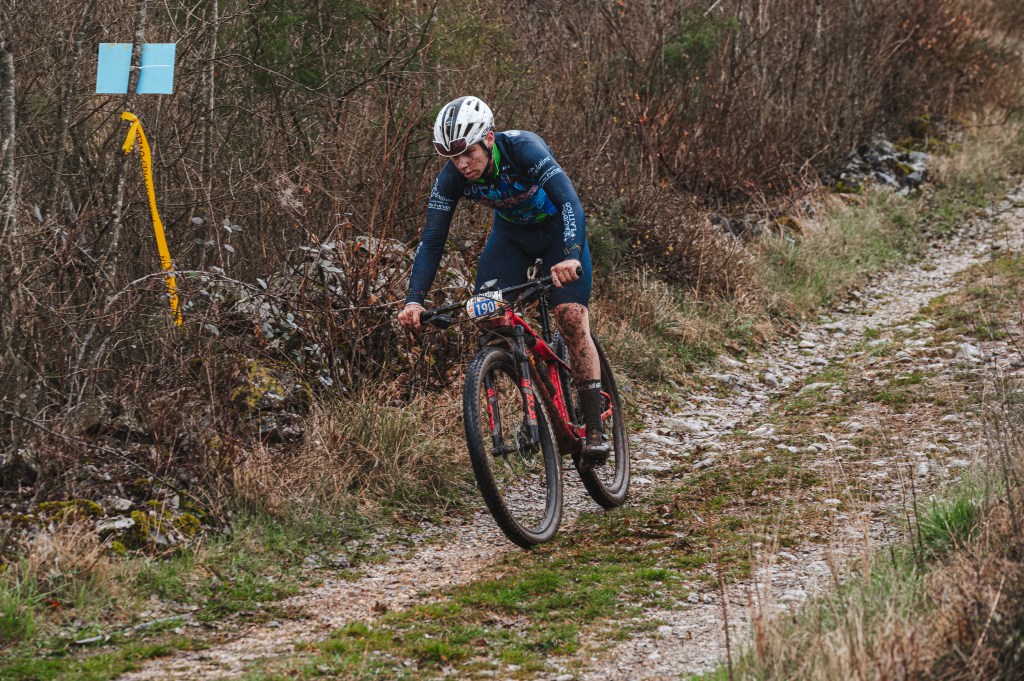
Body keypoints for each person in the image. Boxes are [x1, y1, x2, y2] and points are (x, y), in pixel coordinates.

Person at [397, 95, 609, 463]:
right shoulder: (452, 177)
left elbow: (570, 202)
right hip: (511, 240)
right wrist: (414, 299)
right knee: (486, 315)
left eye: (468, 153)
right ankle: (538, 397)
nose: (462, 164)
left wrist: (572, 254)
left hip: (557, 235)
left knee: (571, 317)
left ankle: (594, 428)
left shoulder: (524, 149)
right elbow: (432, 240)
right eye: (452, 156)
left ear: (489, 139)